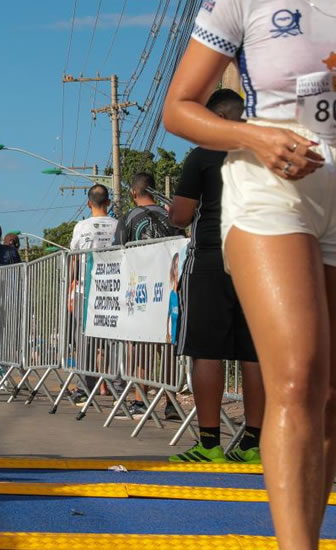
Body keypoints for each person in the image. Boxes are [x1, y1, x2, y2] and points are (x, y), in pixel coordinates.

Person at [163, 1, 334, 546]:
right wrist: (256, 137)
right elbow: (178, 109)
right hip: (270, 188)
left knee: (329, 395)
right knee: (298, 376)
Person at [167, 89, 265, 465]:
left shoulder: (204, 154)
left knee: (206, 350)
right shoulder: (262, 152)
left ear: (219, 117)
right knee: (253, 353)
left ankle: (209, 444)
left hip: (212, 257)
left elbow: (180, 215)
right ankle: (254, 443)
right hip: (259, 259)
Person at [113, 172, 184, 420]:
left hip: (140, 291)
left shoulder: (128, 218)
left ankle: (140, 401)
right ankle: (171, 403)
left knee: (141, 346)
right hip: (168, 289)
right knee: (167, 347)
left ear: (134, 192)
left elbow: (118, 253)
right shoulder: (170, 215)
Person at [69, 184, 118, 403]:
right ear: (108, 202)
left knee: (84, 340)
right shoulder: (117, 225)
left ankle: (84, 388)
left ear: (89, 204)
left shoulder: (81, 227)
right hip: (113, 290)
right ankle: (119, 388)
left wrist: (70, 287)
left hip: (85, 289)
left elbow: (73, 258)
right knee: (113, 340)